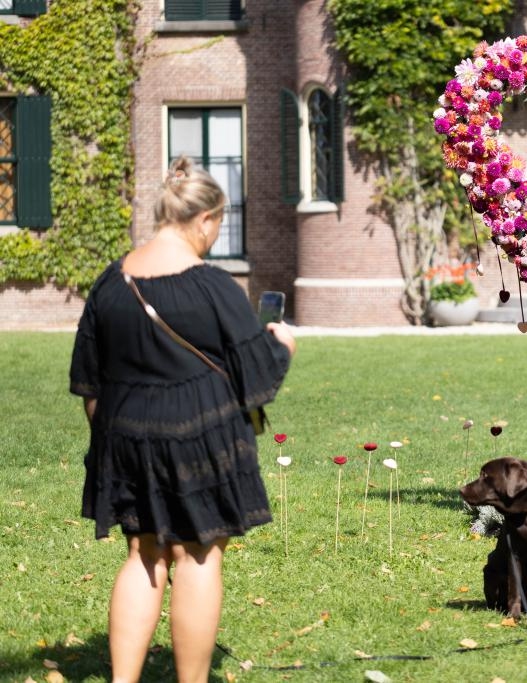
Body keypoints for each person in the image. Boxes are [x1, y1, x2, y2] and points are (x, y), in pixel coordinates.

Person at [69, 156, 295, 683]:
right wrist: (282, 343)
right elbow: (255, 374)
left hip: (124, 434)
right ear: (207, 220)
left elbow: (89, 384)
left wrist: (115, 440)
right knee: (196, 555)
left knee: (143, 553)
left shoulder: (110, 283)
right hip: (198, 437)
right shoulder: (214, 287)